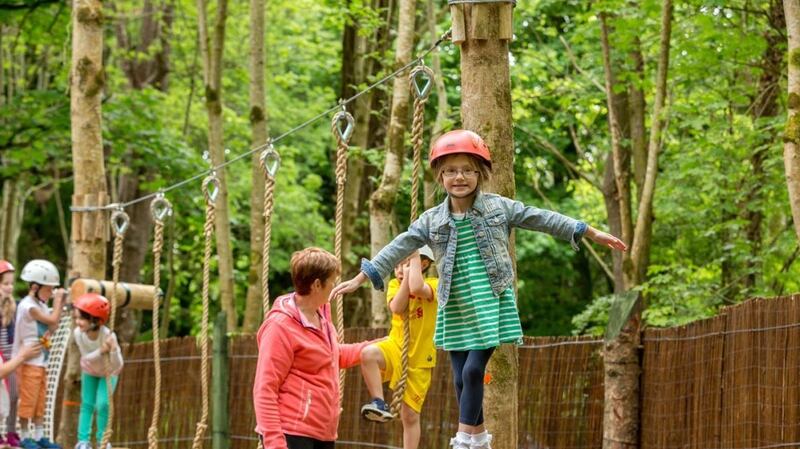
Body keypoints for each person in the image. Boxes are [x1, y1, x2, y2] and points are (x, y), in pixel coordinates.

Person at [330, 130, 627, 449]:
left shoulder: (499, 208)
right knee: (460, 378)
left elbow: (542, 218)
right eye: (451, 170)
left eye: (468, 169)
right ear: (440, 176)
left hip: (489, 302)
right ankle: (480, 439)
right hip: (455, 306)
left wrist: (589, 232)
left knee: (473, 372)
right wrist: (363, 276)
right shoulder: (431, 220)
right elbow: (398, 245)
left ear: (480, 174)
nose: (460, 177)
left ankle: (462, 441)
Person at [253, 247, 374, 449]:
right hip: (291, 433)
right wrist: (275, 444)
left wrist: (381, 345)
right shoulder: (280, 327)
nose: (335, 285)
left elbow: (333, 355)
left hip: (322, 433)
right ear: (317, 284)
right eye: (332, 280)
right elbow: (265, 388)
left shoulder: (321, 317)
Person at [359, 246, 438, 449]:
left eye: (406, 263)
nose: (400, 269)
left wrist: (412, 268)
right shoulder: (394, 285)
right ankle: (378, 401)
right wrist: (405, 275)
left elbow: (418, 288)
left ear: (424, 264)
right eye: (397, 265)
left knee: (410, 416)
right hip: (396, 348)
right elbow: (396, 307)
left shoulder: (435, 285)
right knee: (368, 354)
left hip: (420, 359)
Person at [14, 259, 65, 449]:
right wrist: (59, 302)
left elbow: (53, 325)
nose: (52, 293)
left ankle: (39, 435)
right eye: (49, 289)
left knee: (40, 400)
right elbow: (53, 319)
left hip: (41, 361)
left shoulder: (42, 305)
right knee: (29, 399)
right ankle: (25, 436)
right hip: (28, 362)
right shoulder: (29, 306)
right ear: (35, 286)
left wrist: (57, 305)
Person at [71, 293, 123, 449]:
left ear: (94, 320)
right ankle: (83, 441)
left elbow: (118, 364)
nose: (77, 322)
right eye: (76, 318)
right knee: (87, 404)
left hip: (109, 372)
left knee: (103, 404)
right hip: (90, 370)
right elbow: (86, 359)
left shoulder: (108, 335)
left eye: (81, 319)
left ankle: (103, 441)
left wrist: (113, 349)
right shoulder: (78, 334)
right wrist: (101, 350)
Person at [0, 260, 21, 448]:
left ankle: (11, 431)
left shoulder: (14, 306)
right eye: (5, 283)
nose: (10, 287)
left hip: (10, 358)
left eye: (11, 283)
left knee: (14, 395)